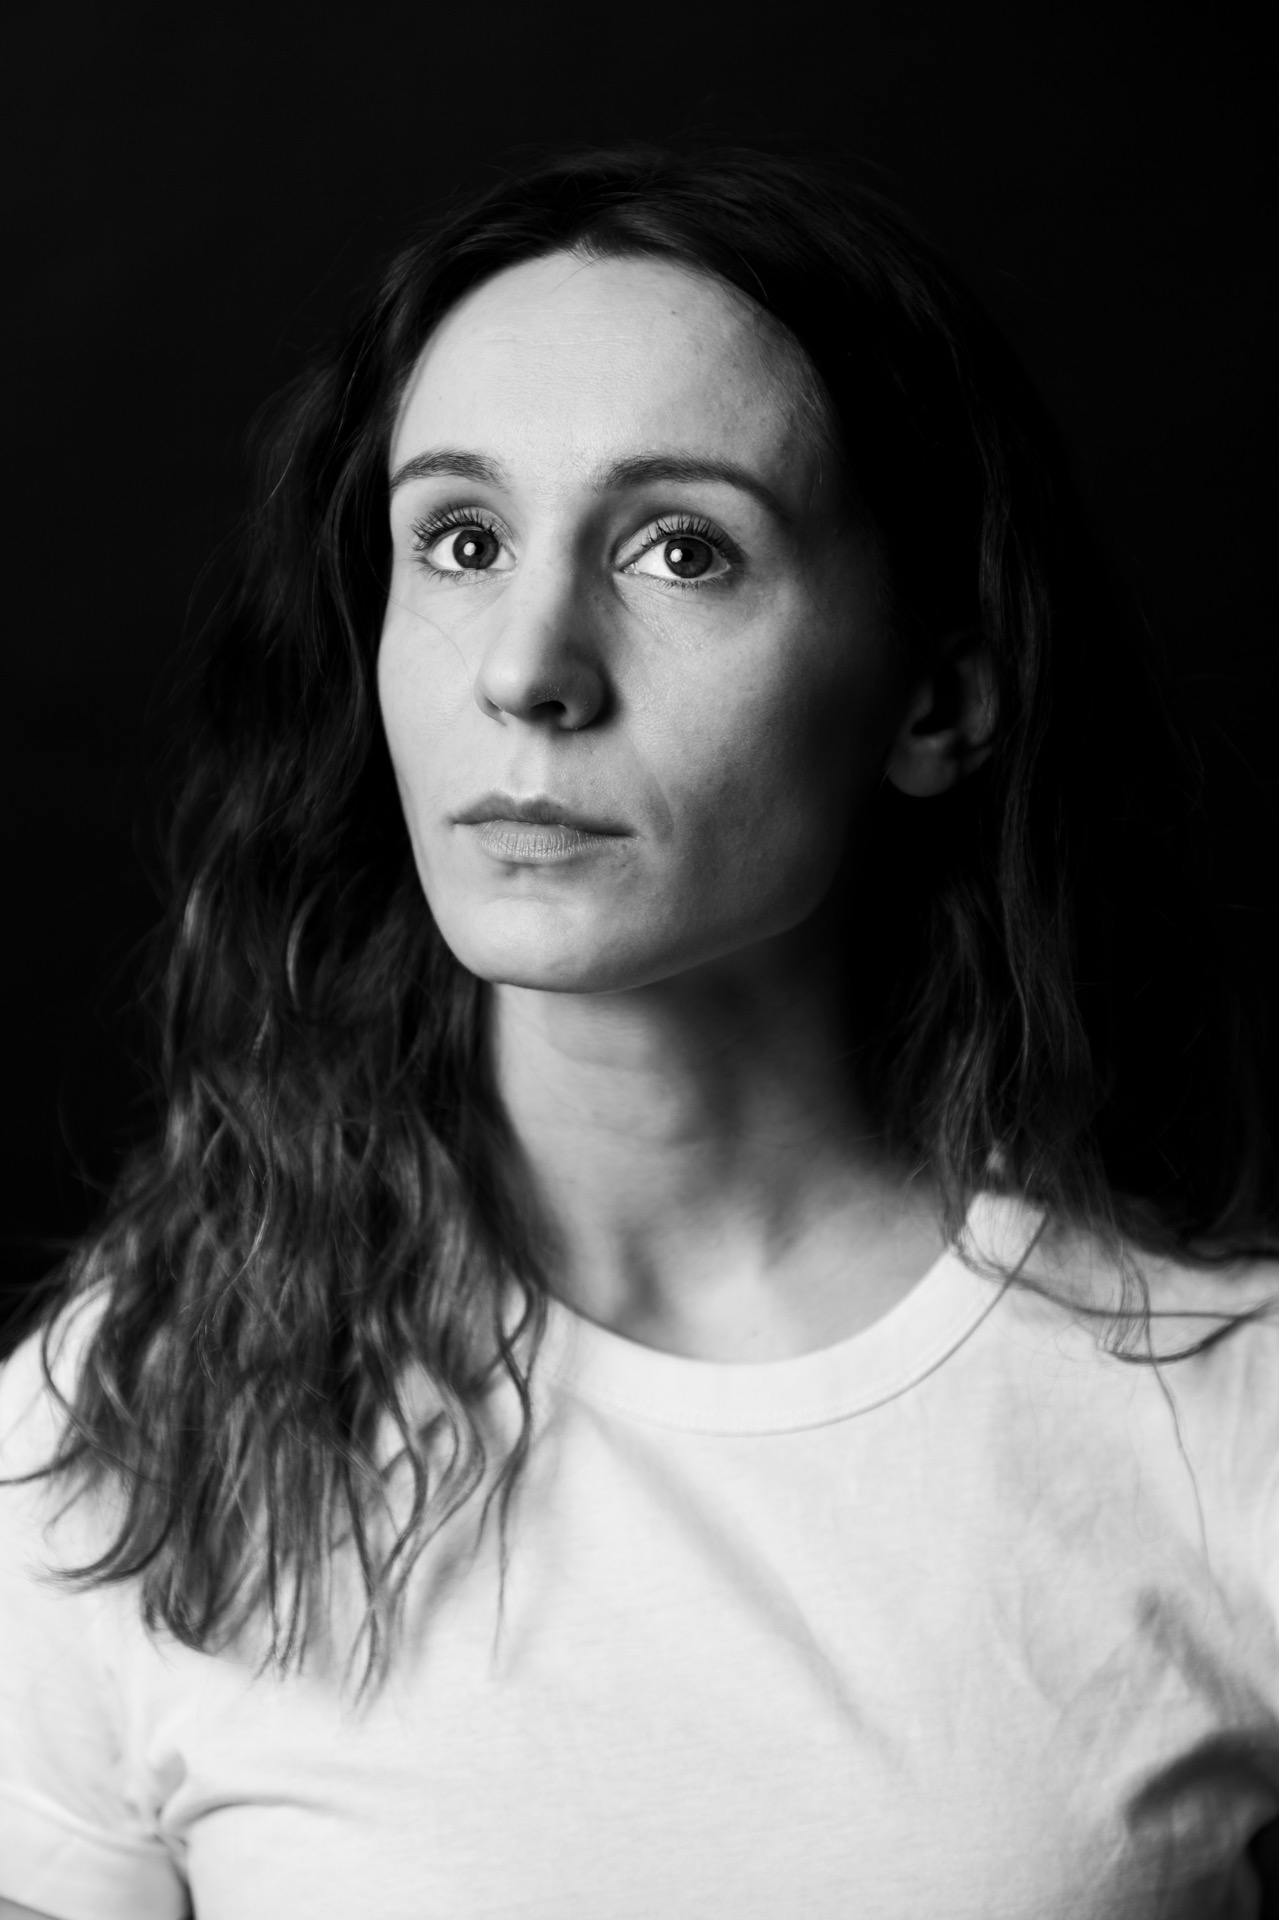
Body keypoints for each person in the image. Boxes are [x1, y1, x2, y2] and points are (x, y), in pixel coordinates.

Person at [1, 142, 1277, 1920]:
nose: (528, 665)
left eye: (684, 549)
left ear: (937, 695)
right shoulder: (125, 1429)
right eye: (460, 540)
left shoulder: (1224, 1419)